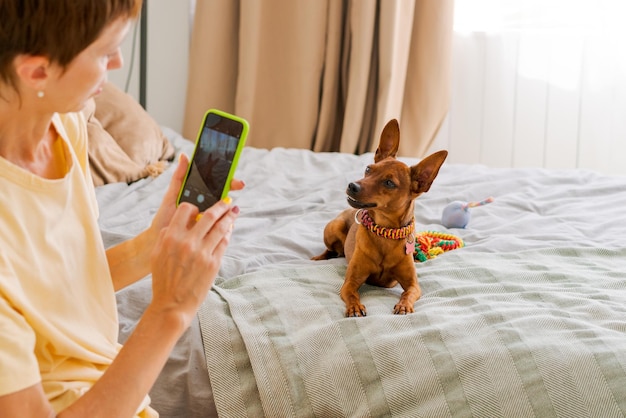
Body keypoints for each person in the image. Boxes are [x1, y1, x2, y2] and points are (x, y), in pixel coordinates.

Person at [0, 1, 242, 416]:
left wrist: (152, 244)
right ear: (36, 70)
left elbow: (55, 286)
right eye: (103, 51)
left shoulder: (65, 125)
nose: (118, 61)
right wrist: (170, 310)